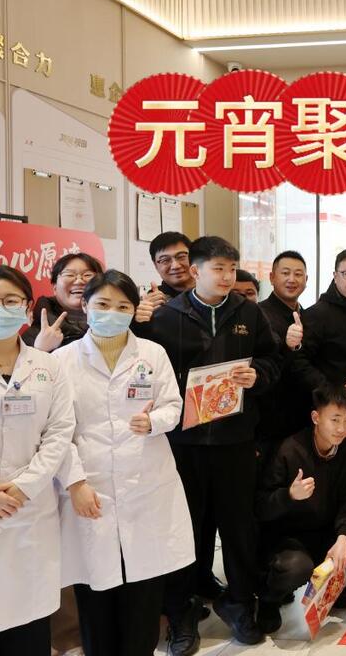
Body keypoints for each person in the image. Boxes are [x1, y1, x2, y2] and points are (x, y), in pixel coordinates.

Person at [146, 236, 282, 653]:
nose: (226, 276)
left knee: (239, 526)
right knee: (186, 529)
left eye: (231, 268)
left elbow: (273, 360)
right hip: (183, 442)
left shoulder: (249, 312)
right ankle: (181, 612)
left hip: (235, 439)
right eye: (217, 268)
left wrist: (258, 375)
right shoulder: (166, 316)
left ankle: (239, 603)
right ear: (196, 271)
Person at [53, 269, 194, 656]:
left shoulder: (152, 354)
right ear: (85, 306)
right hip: (89, 486)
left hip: (145, 484)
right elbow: (56, 432)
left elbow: (174, 406)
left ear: (134, 310)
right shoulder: (62, 361)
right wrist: (75, 483)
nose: (112, 313)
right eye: (102, 304)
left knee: (143, 592)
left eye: (122, 306)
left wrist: (154, 422)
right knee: (95, 590)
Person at [0, 264, 75, 655]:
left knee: (25, 627)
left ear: (27, 307)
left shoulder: (48, 366)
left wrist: (23, 488)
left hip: (29, 509)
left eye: (9, 301)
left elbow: (59, 432)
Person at [255, 384, 346, 634]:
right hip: (289, 539)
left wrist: (344, 538)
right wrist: (289, 495)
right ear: (316, 417)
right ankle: (269, 599)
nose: (342, 428)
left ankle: (337, 585)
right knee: (296, 567)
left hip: (326, 534)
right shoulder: (289, 450)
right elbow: (261, 507)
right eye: (335, 419)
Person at [290, 248, 346, 445]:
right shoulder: (317, 314)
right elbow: (299, 361)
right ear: (335, 276)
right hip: (332, 412)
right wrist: (328, 392)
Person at [256, 251, 311, 450]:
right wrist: (287, 346)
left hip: (303, 416)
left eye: (298, 274)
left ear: (306, 280)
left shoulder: (308, 315)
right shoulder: (258, 314)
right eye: (285, 273)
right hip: (270, 420)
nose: (292, 279)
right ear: (272, 278)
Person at [22, 252, 103, 352]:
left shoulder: (113, 325)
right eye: (69, 274)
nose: (79, 281)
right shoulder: (36, 333)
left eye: (87, 275)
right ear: (55, 288)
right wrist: (40, 350)